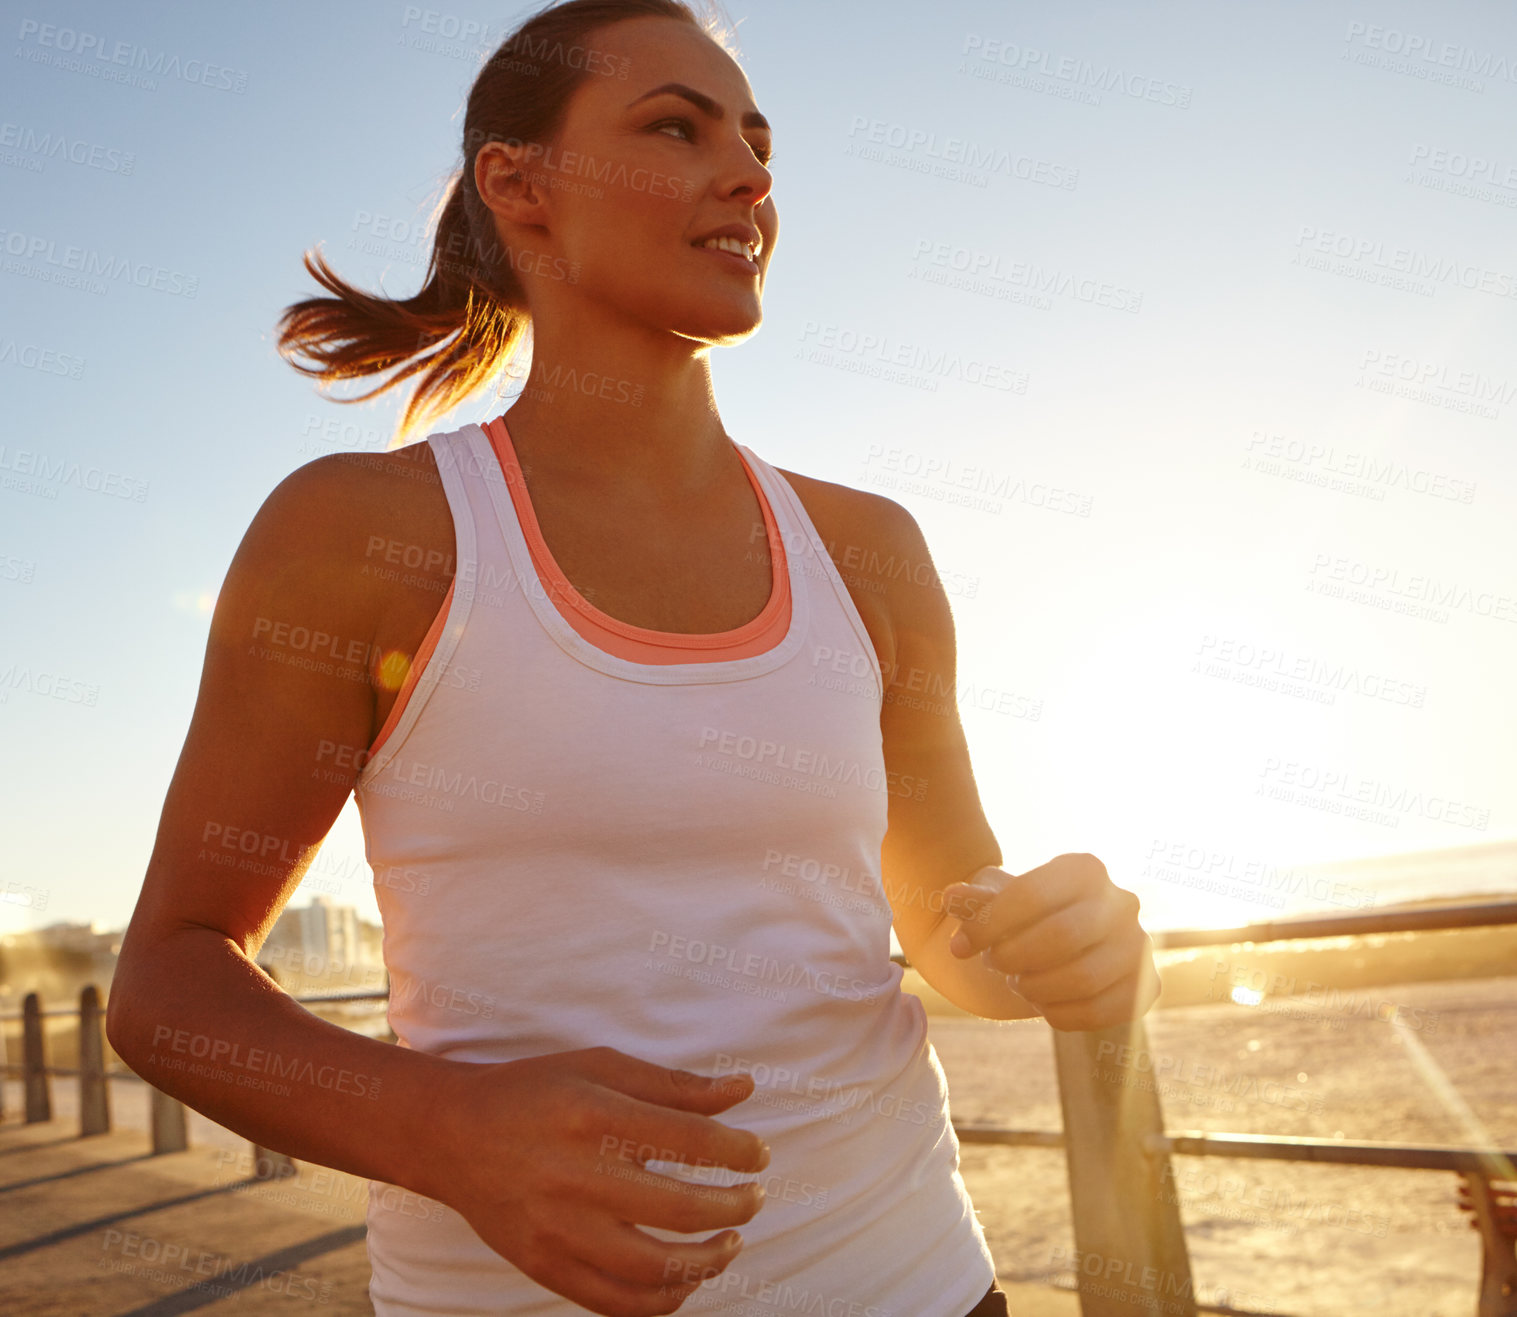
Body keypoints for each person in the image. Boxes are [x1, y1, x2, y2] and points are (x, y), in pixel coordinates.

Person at [106, 2, 1161, 1314]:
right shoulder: (362, 533)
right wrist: (442, 1126)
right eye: (675, 125)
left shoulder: (872, 548)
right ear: (522, 185)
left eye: (757, 140)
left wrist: (1055, 949)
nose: (749, 175)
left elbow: (950, 924)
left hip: (918, 1283)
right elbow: (168, 979)